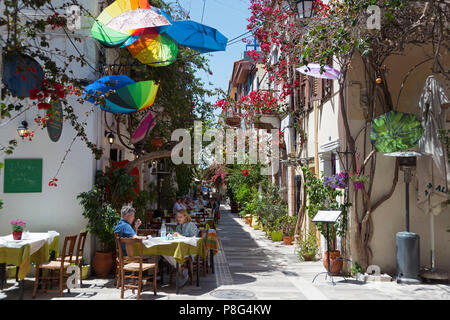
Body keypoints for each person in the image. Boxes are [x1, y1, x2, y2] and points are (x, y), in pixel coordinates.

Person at [163, 210, 199, 287]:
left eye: (180, 217)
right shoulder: (178, 227)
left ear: (185, 217)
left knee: (172, 254)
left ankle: (181, 273)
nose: (178, 219)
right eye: (177, 217)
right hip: (180, 249)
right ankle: (181, 270)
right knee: (164, 252)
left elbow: (194, 239)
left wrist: (179, 236)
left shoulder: (191, 225)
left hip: (191, 250)